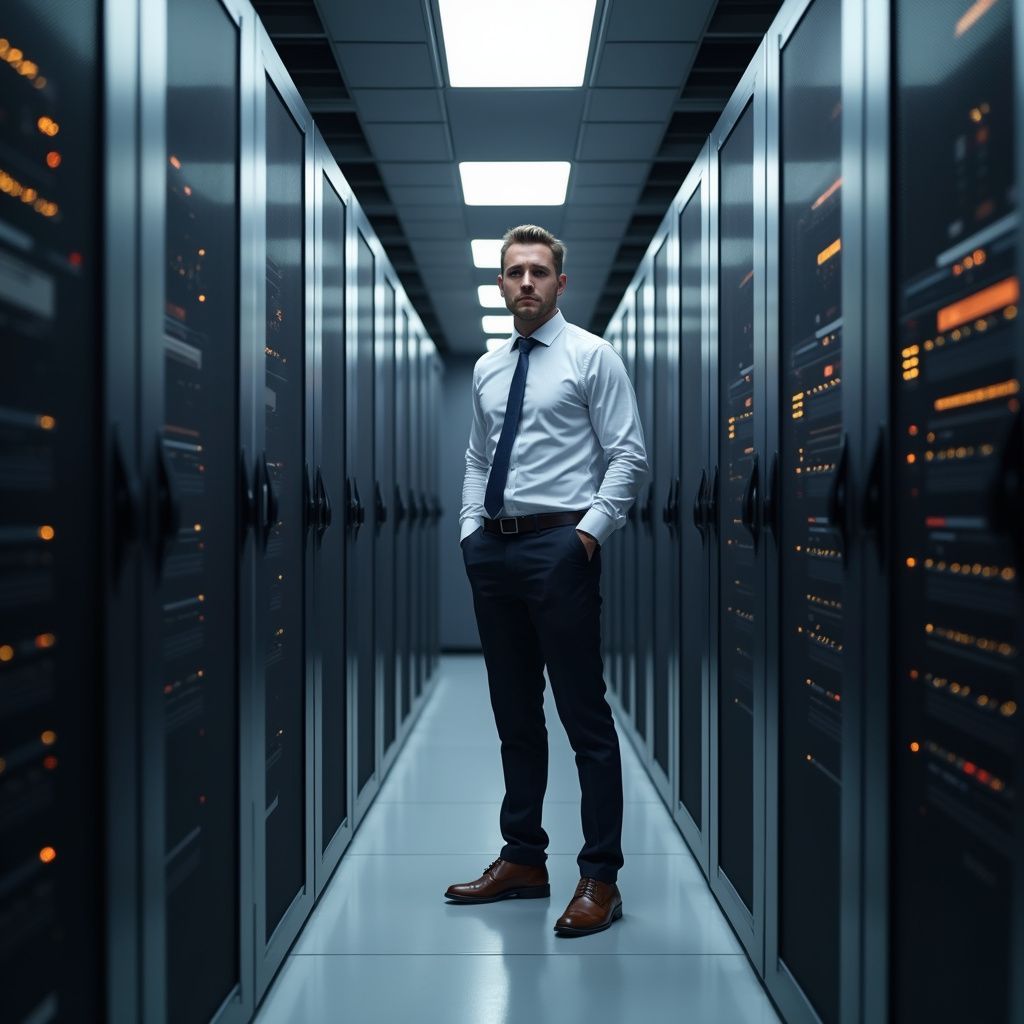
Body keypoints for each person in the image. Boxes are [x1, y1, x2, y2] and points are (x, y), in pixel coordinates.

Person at [445, 224, 649, 936]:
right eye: (513, 272)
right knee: (514, 716)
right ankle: (524, 858)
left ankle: (600, 878)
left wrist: (586, 537)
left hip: (561, 547)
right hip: (495, 554)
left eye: (538, 272)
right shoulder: (487, 369)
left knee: (583, 717)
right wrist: (471, 531)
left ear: (561, 283)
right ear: (500, 284)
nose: (525, 282)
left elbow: (629, 457)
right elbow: (477, 457)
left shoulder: (592, 356)